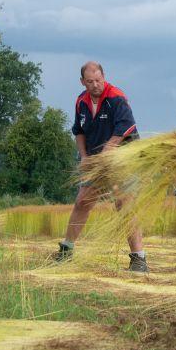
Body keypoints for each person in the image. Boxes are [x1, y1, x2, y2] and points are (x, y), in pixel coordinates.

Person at [53, 61, 148, 272]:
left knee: (124, 205)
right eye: (90, 81)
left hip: (123, 160)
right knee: (82, 202)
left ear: (104, 77)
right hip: (96, 160)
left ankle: (139, 259)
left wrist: (108, 151)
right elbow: (79, 131)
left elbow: (125, 128)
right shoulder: (81, 101)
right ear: (82, 82)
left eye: (98, 80)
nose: (95, 85)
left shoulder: (116, 98)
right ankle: (66, 251)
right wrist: (84, 157)